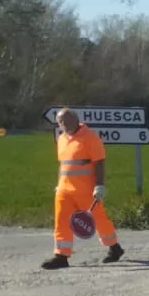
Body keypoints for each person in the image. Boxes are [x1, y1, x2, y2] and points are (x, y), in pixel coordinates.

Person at [43, 108, 124, 269]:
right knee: (61, 222)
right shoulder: (62, 139)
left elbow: (99, 162)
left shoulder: (90, 138)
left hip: (86, 190)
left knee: (98, 220)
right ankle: (61, 255)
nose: (63, 124)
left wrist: (99, 185)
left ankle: (114, 248)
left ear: (76, 119)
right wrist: (59, 184)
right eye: (60, 122)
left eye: (66, 121)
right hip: (64, 190)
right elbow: (64, 165)